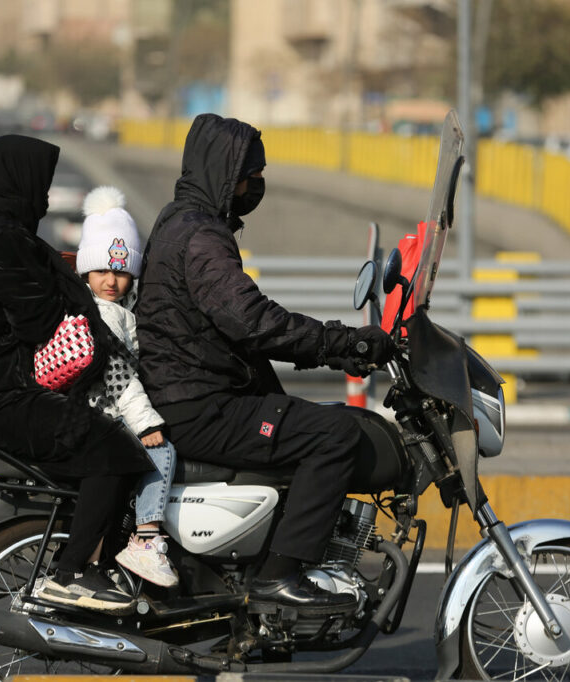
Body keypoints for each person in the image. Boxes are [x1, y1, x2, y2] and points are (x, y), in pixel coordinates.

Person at [135, 113, 394, 612]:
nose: (258, 186)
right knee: (335, 434)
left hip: (188, 394)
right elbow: (252, 321)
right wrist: (344, 345)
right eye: (251, 175)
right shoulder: (201, 237)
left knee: (304, 416)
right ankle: (281, 576)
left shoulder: (179, 220)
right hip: (200, 405)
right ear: (227, 175)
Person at [0, 135, 154, 613]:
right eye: (38, 192)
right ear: (17, 184)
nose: (41, 204)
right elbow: (38, 319)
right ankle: (74, 573)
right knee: (113, 449)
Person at [76, 185, 179, 588]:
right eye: (102, 270)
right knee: (162, 451)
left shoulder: (112, 310)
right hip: (107, 417)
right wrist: (146, 423)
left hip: (98, 416)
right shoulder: (104, 315)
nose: (111, 281)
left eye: (121, 272)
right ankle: (147, 538)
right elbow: (118, 376)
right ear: (86, 270)